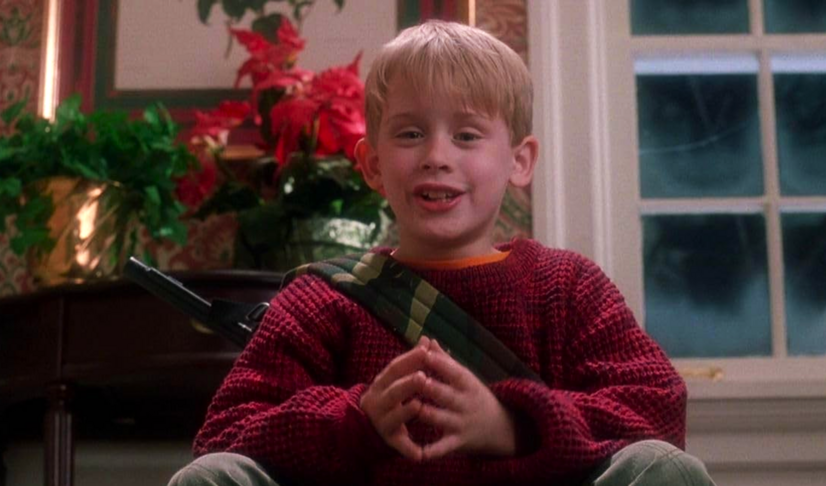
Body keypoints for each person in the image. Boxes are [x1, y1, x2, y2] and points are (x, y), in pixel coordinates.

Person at [169, 20, 716, 486]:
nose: (436, 156)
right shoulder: (319, 300)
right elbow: (225, 433)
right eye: (410, 134)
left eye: (467, 135)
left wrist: (511, 424)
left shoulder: (568, 286)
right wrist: (357, 419)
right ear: (373, 164)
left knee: (663, 467)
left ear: (520, 161)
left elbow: (657, 408)